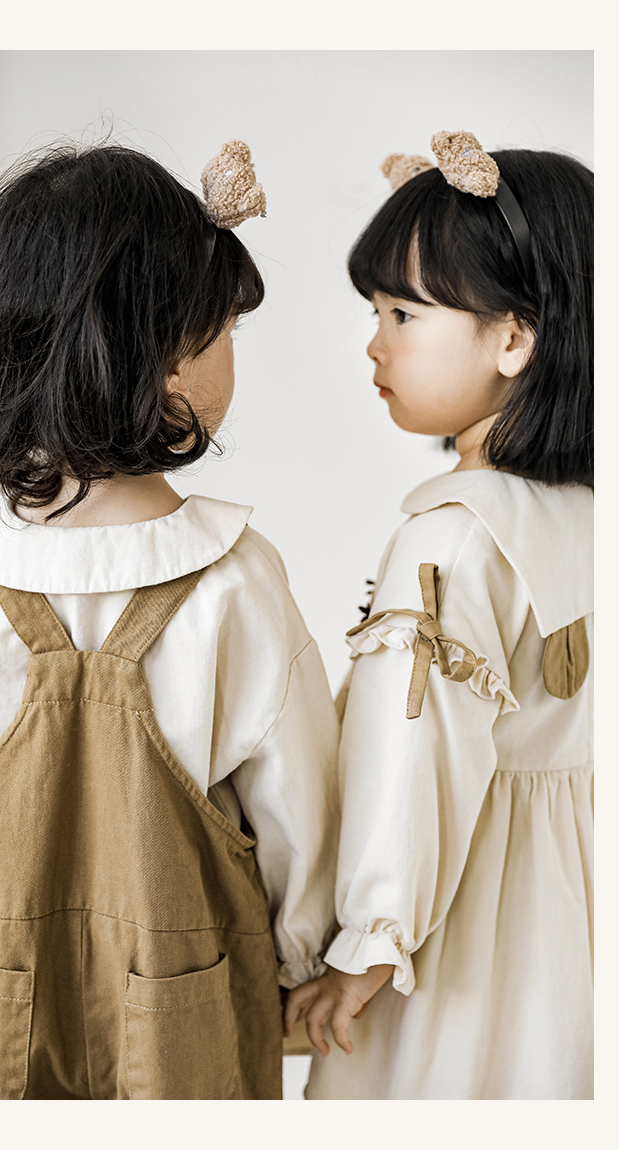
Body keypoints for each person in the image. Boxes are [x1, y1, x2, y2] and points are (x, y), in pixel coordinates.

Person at [0, 140, 339, 1100]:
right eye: (225, 328)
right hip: (190, 1014)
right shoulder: (235, 584)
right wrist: (302, 953)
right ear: (169, 352)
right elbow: (299, 813)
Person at [285, 131, 593, 1100]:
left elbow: (411, 755)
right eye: (376, 312)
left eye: (404, 313)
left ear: (514, 337)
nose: (374, 343)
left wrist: (370, 939)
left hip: (465, 928)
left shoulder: (451, 541)